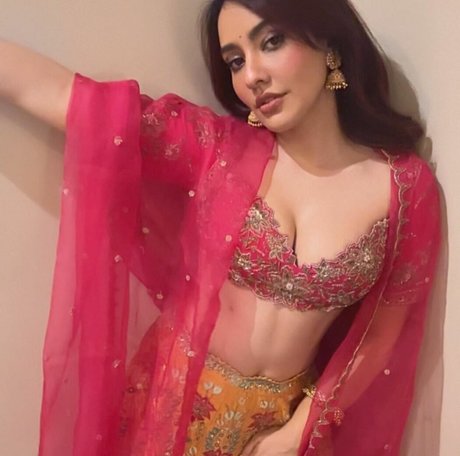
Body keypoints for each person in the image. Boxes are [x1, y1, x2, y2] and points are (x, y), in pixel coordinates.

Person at [0, 0, 441, 455]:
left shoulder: (405, 188)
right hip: (169, 404)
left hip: (282, 427)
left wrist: (295, 433)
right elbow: (76, 102)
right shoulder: (220, 151)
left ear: (328, 40)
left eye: (271, 42)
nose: (252, 77)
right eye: (235, 61)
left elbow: (381, 332)